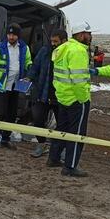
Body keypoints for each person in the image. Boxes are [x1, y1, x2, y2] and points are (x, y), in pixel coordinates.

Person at [49, 21, 92, 177]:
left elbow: (59, 76)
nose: (90, 36)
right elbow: (78, 80)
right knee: (77, 134)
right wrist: (83, 99)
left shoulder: (63, 49)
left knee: (62, 129)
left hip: (63, 97)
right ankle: (70, 166)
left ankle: (53, 158)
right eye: (89, 34)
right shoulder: (78, 51)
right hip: (75, 100)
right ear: (81, 35)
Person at [0, 23, 32, 152]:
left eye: (14, 34)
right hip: (2, 86)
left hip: (16, 86)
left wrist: (29, 71)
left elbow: (28, 61)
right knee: (0, 113)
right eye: (9, 34)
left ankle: (5, 139)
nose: (11, 37)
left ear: (18, 35)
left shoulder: (24, 48)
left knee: (12, 114)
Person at [25, 29, 68, 158]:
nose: (53, 44)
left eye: (56, 41)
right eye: (52, 41)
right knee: (38, 120)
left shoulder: (69, 53)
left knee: (63, 124)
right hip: (42, 94)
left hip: (60, 96)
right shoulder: (45, 51)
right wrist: (28, 78)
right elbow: (35, 67)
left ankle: (61, 150)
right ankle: (41, 144)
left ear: (64, 41)